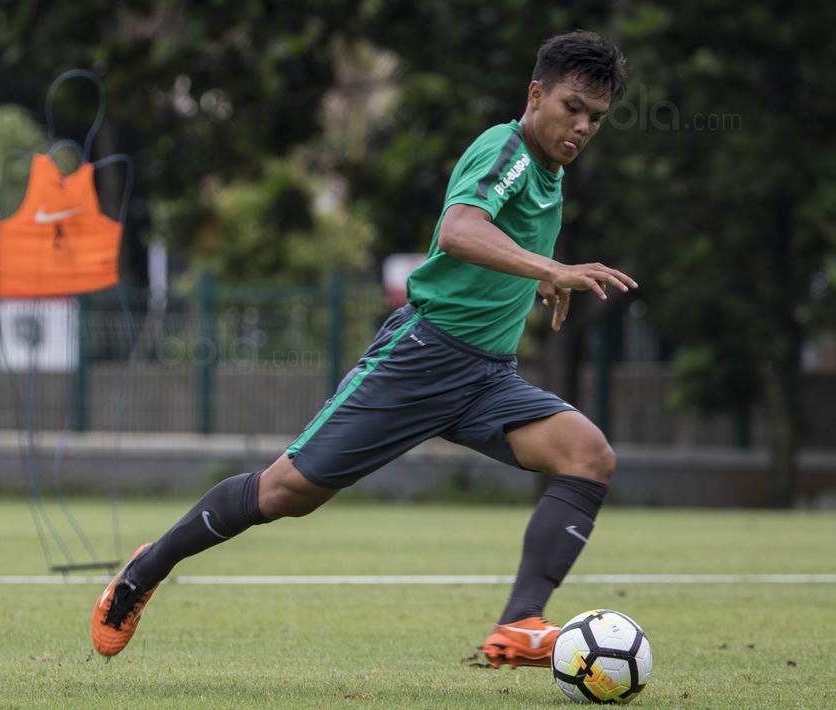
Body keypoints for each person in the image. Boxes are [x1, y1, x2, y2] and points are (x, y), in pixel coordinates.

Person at [91, 30, 631, 667]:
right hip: (422, 358)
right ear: (536, 93)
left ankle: (518, 625)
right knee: (284, 493)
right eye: (572, 107)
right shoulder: (506, 148)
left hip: (487, 378)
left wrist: (536, 274)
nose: (581, 126)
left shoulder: (551, 174)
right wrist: (549, 266)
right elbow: (459, 231)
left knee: (588, 455)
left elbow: (496, 245)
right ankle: (142, 571)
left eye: (595, 118)